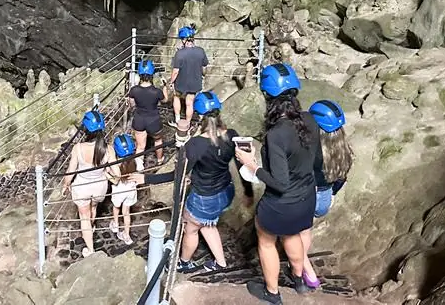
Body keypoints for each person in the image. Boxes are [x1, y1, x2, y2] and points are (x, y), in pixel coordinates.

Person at [134, 91, 254, 272]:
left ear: (199, 116)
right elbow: (240, 165)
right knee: (207, 224)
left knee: (190, 229)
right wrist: (248, 192)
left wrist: (146, 178)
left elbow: (177, 175)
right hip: (226, 191)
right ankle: (221, 263)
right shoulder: (232, 134)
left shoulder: (196, 144)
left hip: (204, 197)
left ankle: (184, 263)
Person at [235, 63, 320, 305]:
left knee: (267, 241)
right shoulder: (309, 120)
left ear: (267, 96)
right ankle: (299, 280)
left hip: (282, 204)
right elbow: (310, 159)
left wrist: (252, 166)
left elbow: (280, 183)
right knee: (292, 234)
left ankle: (272, 293)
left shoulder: (276, 134)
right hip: (306, 198)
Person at [299, 99, 353, 289]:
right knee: (305, 230)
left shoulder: (311, 150)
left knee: (290, 234)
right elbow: (341, 178)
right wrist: (332, 194)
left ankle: (307, 274)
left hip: (307, 195)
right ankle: (300, 262)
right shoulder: (343, 150)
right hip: (324, 197)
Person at [62, 110, 115, 257]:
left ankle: (90, 249)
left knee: (83, 216)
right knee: (93, 206)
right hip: (99, 186)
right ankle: (90, 228)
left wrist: (66, 184)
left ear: (85, 130)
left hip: (82, 187)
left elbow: (71, 171)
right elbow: (113, 170)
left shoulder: (78, 148)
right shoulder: (107, 149)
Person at [168, 25, 209, 127]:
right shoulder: (201, 51)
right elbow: (204, 68)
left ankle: (177, 120)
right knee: (189, 103)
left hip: (181, 83)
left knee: (176, 97)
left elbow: (175, 71)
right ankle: (187, 123)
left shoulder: (180, 54)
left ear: (183, 39)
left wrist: (171, 82)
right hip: (195, 82)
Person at [128, 60, 166, 167]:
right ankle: (159, 160)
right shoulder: (156, 91)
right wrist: (165, 87)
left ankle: (139, 167)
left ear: (139, 74)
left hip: (139, 119)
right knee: (158, 141)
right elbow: (165, 100)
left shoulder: (134, 90)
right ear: (152, 74)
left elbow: (131, 105)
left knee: (140, 146)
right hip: (154, 120)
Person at [108, 134, 138, 246]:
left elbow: (114, 179)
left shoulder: (116, 165)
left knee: (116, 208)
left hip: (119, 190)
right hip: (131, 190)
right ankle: (127, 235)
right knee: (126, 213)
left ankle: (115, 224)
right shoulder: (135, 162)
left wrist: (106, 174)